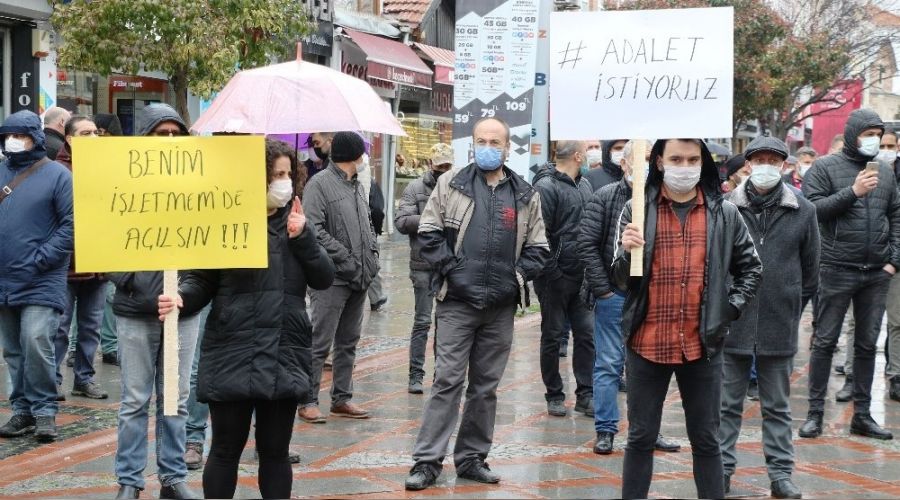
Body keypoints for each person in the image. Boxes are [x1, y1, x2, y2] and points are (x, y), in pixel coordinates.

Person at [168, 138, 335, 499]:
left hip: (283, 350)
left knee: (275, 453)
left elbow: (324, 277)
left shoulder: (297, 222)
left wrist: (303, 237)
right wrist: (181, 297)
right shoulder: (226, 221)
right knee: (225, 450)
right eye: (277, 174)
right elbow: (202, 279)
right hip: (233, 348)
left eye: (289, 174)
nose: (285, 181)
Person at [404, 117, 549, 491]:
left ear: (507, 147)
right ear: (472, 144)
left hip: (500, 307)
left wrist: (515, 278)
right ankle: (427, 461)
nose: (487, 146)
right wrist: (453, 269)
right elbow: (429, 232)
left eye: (495, 141)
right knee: (447, 380)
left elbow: (539, 247)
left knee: (485, 387)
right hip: (456, 302)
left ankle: (471, 458)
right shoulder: (450, 184)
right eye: (481, 140)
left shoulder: (524, 193)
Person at [612, 138, 762, 499]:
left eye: (693, 159)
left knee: (707, 439)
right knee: (641, 438)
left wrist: (729, 308)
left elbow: (751, 269)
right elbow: (621, 282)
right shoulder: (638, 210)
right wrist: (624, 252)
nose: (685, 166)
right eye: (676, 158)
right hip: (647, 342)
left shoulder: (723, 213)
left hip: (702, 345)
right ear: (660, 162)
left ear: (703, 162)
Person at [719, 136, 820, 500]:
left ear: (783, 165)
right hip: (734, 320)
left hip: (779, 322)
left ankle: (781, 474)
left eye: (772, 160)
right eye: (758, 158)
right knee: (727, 404)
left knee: (777, 406)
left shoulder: (803, 209)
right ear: (747, 163)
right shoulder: (727, 206)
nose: (765, 165)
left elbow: (811, 270)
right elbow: (715, 265)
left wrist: (792, 304)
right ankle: (722, 470)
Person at [110, 103, 202, 500]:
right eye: (160, 134)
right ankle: (129, 481)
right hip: (135, 310)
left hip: (183, 310)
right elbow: (101, 240)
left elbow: (209, 251)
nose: (168, 141)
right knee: (134, 399)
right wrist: (133, 281)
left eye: (174, 134)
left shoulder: (199, 187)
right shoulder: (121, 184)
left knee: (176, 400)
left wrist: (186, 292)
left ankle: (173, 476)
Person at [800, 108, 899, 441]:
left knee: (867, 345)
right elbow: (811, 211)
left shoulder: (885, 172)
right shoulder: (824, 167)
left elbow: (896, 215)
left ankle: (862, 414)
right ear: (853, 132)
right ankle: (815, 414)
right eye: (867, 134)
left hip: (876, 272)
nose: (873, 141)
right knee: (825, 342)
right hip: (835, 268)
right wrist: (853, 191)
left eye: (877, 134)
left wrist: (893, 261)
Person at [578, 139, 680, 455]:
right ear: (625, 164)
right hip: (615, 295)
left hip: (653, 297)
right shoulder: (605, 197)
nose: (646, 166)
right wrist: (604, 290)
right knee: (609, 364)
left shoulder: (666, 200)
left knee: (650, 368)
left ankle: (647, 430)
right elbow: (587, 246)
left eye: (652, 159)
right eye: (641, 159)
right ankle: (606, 430)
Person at [0, 110, 73, 443]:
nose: (14, 141)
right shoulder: (0, 171)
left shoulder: (58, 175)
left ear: (37, 138)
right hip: (5, 278)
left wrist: (42, 258)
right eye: (9, 136)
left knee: (36, 340)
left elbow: (70, 225)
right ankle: (23, 410)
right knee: (13, 350)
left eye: (21, 135)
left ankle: (44, 411)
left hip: (42, 278)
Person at [300, 131, 379, 423]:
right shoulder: (319, 184)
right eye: (362, 154)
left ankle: (342, 398)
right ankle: (307, 400)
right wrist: (345, 256)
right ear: (355, 156)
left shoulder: (358, 184)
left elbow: (367, 224)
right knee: (319, 341)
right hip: (331, 277)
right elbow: (314, 229)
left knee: (348, 341)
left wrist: (371, 257)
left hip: (359, 275)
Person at [532, 141, 595, 418]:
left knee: (586, 335)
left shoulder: (584, 185)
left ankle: (586, 394)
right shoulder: (546, 187)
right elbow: (538, 233)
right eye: (587, 150)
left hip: (582, 276)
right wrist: (552, 272)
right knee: (553, 336)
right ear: (578, 156)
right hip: (554, 278)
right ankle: (554, 393)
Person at [51, 116, 108, 400]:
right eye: (86, 133)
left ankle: (84, 379)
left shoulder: (106, 168)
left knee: (91, 326)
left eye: (96, 132)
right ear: (70, 139)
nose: (94, 137)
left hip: (98, 264)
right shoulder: (57, 171)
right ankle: (53, 381)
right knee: (60, 327)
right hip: (66, 265)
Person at [394, 143, 453, 394]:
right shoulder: (415, 188)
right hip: (422, 264)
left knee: (446, 322)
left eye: (448, 166)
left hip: (449, 265)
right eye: (440, 166)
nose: (444, 170)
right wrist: (432, 217)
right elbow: (401, 221)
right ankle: (415, 374)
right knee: (422, 322)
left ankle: (442, 373)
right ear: (431, 164)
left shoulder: (458, 187)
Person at [92, 113, 124, 366]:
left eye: (103, 132)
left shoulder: (120, 160)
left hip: (115, 236)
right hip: (99, 236)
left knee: (109, 295)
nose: (99, 137)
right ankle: (106, 345)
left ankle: (110, 345)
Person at [879, 129, 900, 402]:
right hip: (884, 260)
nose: (884, 149)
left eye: (890, 145)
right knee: (895, 322)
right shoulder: (870, 173)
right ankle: (896, 374)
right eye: (881, 144)